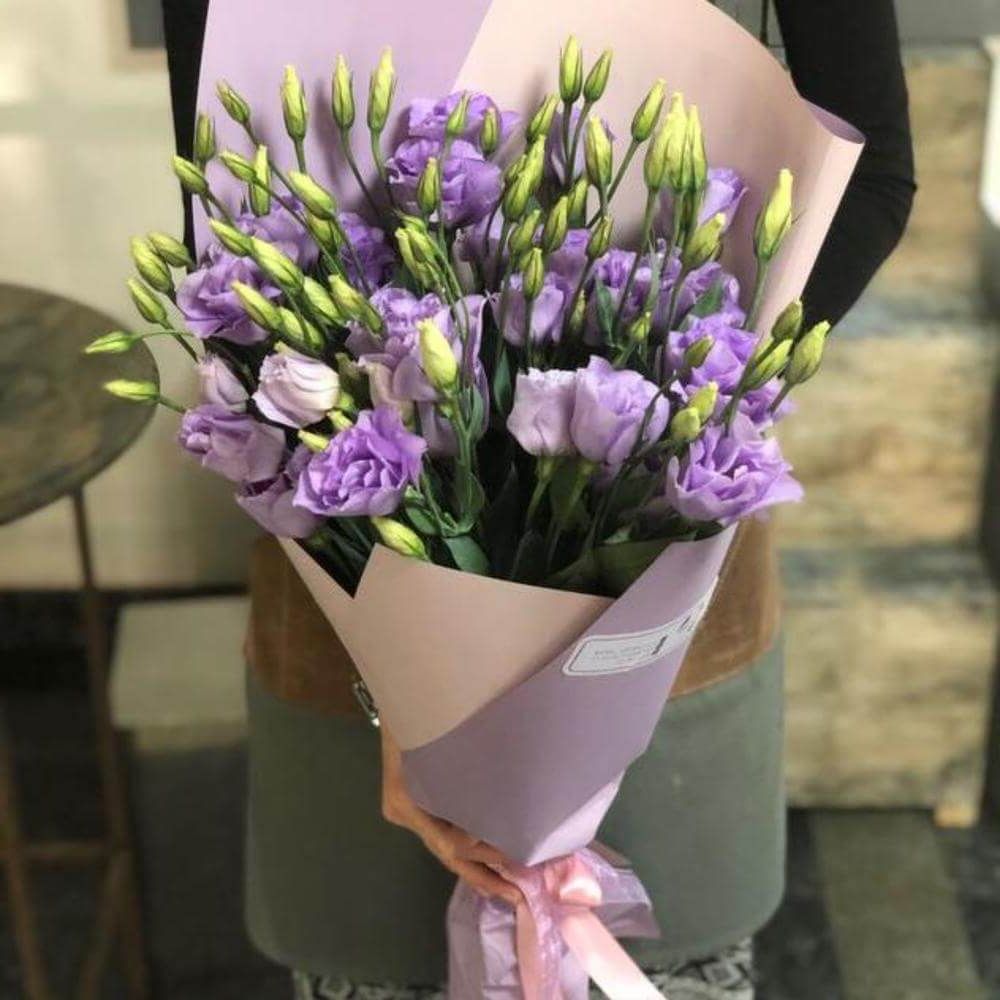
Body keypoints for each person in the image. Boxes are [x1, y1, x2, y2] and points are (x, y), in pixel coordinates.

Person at [161, 1, 914, 996]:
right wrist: (415, 682)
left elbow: (872, 176)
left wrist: (651, 409)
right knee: (371, 959)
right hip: (352, 556)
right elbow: (228, 211)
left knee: (663, 952)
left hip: (655, 559)